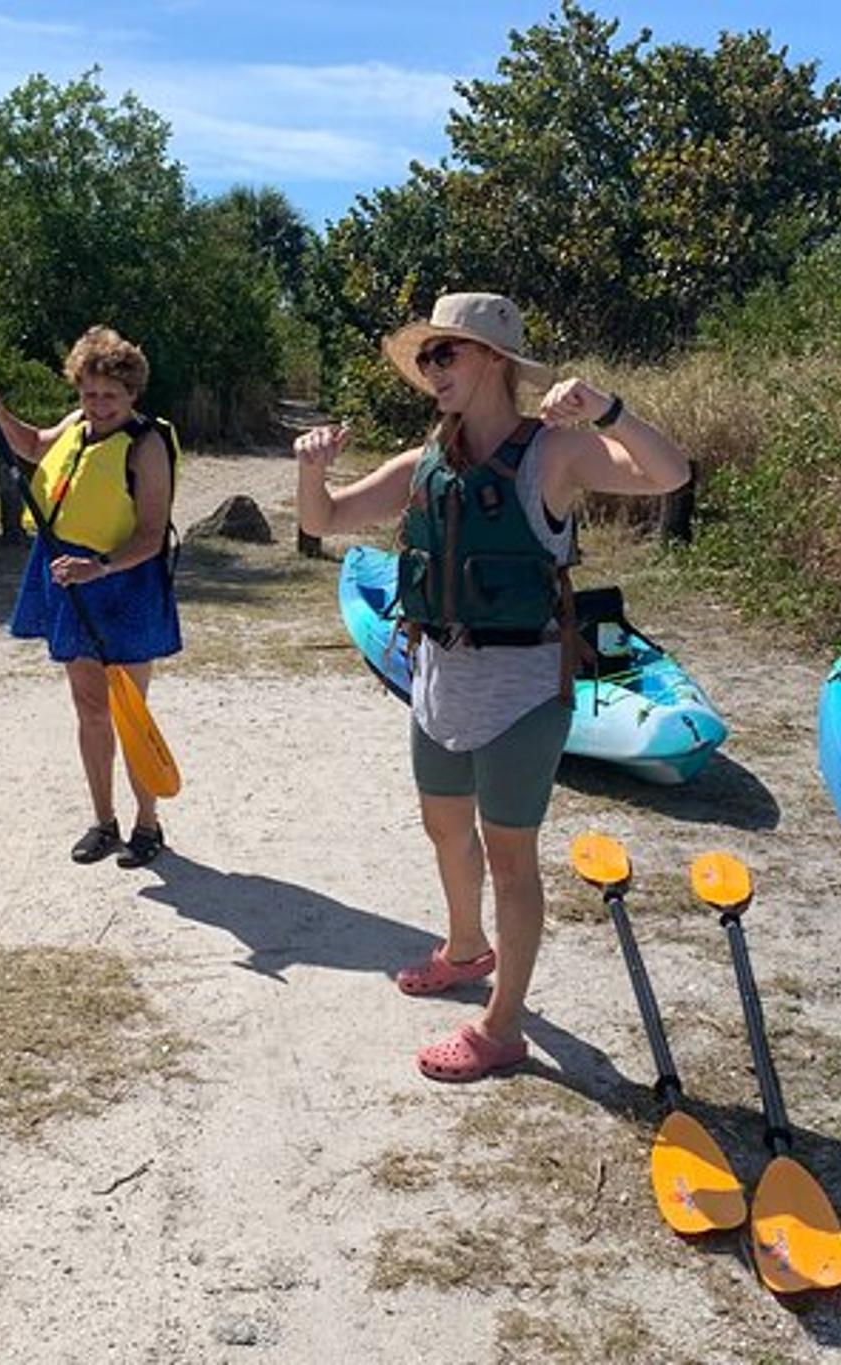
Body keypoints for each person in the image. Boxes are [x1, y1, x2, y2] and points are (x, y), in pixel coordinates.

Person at [294, 292, 691, 1081]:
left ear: (496, 362)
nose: (434, 368)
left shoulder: (557, 452)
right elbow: (326, 519)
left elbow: (669, 473)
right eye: (429, 356)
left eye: (450, 353)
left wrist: (608, 409)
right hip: (437, 674)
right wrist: (311, 470)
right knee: (444, 828)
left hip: (520, 685)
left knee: (512, 857)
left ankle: (503, 1026)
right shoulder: (423, 463)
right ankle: (466, 948)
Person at [0, 325, 181, 869]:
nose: (98, 405)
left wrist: (99, 567)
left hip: (123, 581)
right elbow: (36, 446)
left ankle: (147, 823)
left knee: (128, 708)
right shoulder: (78, 424)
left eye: (109, 396)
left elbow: (151, 537)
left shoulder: (147, 443)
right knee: (89, 708)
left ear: (132, 393)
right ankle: (103, 821)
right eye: (89, 394)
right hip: (65, 572)